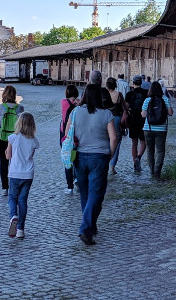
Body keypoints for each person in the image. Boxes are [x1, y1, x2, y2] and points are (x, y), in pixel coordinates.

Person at [64, 83, 118, 245]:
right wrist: (110, 155)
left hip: (80, 156)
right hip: (99, 157)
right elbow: (113, 138)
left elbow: (67, 133)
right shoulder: (106, 114)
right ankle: (86, 228)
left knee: (86, 194)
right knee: (97, 194)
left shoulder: (75, 112)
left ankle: (90, 226)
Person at [5, 113, 39, 239]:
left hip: (14, 173)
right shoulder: (33, 140)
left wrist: (6, 153)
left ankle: (13, 216)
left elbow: (9, 156)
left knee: (12, 198)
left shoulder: (13, 138)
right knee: (23, 201)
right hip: (28, 174)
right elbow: (30, 155)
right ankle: (20, 229)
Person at [140, 81, 174, 180]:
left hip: (148, 128)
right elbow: (170, 113)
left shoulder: (147, 100)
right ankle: (157, 172)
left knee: (150, 150)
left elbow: (143, 115)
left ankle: (151, 170)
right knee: (160, 150)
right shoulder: (165, 99)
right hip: (161, 129)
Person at [0, 86, 24, 195]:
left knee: (3, 162)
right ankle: (14, 185)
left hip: (2, 138)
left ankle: (5, 188)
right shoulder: (20, 108)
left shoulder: (0, 107)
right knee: (15, 163)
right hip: (15, 139)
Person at [124, 76, 149, 174]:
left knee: (134, 142)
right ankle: (139, 157)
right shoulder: (146, 93)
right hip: (143, 119)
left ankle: (135, 162)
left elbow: (126, 107)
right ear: (141, 83)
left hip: (133, 119)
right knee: (143, 141)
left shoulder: (129, 94)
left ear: (133, 83)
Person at [59, 84, 80, 193]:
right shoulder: (77, 105)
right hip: (75, 135)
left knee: (68, 160)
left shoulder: (64, 103)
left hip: (66, 136)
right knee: (75, 158)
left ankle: (70, 186)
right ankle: (76, 179)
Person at [105, 77, 126, 175]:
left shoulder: (104, 95)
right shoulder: (119, 95)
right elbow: (125, 107)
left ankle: (104, 162)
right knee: (116, 143)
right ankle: (112, 166)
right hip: (116, 119)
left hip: (104, 120)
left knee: (105, 141)